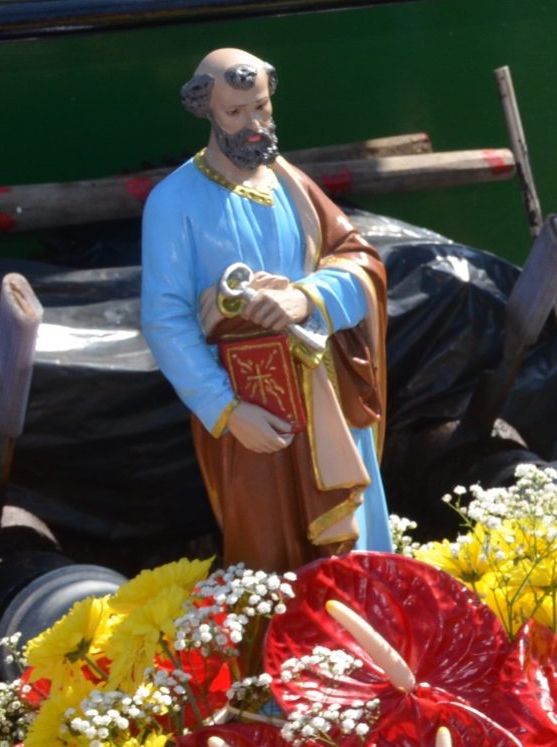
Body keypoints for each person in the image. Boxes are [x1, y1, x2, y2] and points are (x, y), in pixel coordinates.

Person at [141, 48, 392, 572]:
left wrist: (308, 297)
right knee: (271, 552)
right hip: (252, 403)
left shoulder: (290, 183)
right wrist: (226, 410)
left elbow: (360, 260)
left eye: (261, 108)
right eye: (236, 112)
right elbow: (165, 320)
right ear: (206, 109)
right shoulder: (173, 201)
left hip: (326, 392)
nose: (254, 124)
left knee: (353, 548)